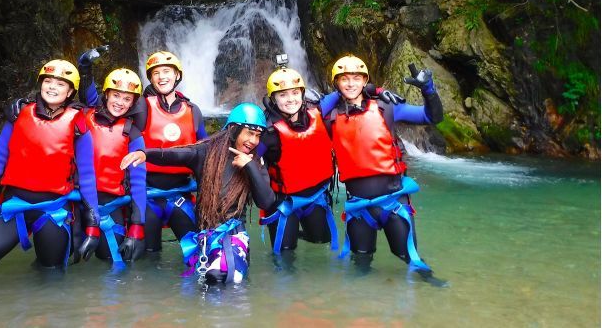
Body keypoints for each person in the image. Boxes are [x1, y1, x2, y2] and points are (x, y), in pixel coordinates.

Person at [0, 59, 100, 282]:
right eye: (48, 81)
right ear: (40, 84)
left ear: (71, 91)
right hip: (14, 208)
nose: (52, 87)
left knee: (50, 276)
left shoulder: (78, 124)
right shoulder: (18, 115)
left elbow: (88, 176)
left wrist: (93, 226)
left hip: (53, 212)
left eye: (61, 84)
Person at [120, 103, 277, 284]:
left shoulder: (256, 162)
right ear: (233, 129)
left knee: (217, 276)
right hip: (206, 235)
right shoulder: (207, 151)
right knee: (202, 282)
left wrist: (249, 167)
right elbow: (177, 154)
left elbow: (266, 202)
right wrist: (145, 154)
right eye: (249, 133)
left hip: (234, 237)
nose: (254, 141)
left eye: (258, 135)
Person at [257, 63, 406, 254]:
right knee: (285, 255)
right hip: (283, 202)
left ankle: (299, 234)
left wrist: (376, 90)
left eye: (295, 93)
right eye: (283, 95)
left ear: (303, 94)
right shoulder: (267, 132)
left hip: (315, 196)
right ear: (272, 99)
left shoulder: (318, 111)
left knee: (322, 240)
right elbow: (251, 158)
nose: (290, 99)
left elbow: (345, 90)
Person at [327, 55, 445, 284]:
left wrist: (428, 90)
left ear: (364, 80)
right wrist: (375, 88)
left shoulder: (387, 107)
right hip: (359, 207)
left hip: (393, 201)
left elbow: (432, 117)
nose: (351, 84)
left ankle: (429, 289)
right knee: (360, 263)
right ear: (336, 83)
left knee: (409, 257)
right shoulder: (330, 116)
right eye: (344, 79)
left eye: (357, 78)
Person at [130, 51, 208, 252]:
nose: (162, 76)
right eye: (156, 73)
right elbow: (112, 109)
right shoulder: (142, 106)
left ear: (177, 76)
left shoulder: (193, 111)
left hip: (180, 194)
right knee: (148, 257)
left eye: (167, 71)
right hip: (148, 195)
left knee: (196, 254)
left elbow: (207, 151)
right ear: (150, 78)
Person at [80, 68, 147, 266]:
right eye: (116, 95)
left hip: (109, 205)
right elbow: (56, 107)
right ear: (106, 94)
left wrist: (137, 227)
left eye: (127, 99)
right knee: (65, 256)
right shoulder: (82, 117)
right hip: (76, 203)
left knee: (112, 261)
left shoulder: (132, 133)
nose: (120, 102)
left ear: (133, 103)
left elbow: (138, 182)